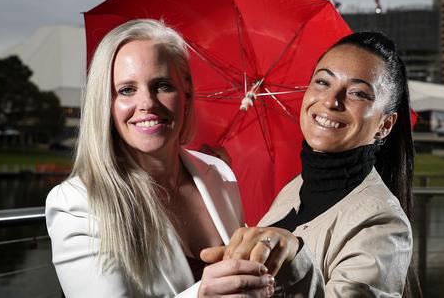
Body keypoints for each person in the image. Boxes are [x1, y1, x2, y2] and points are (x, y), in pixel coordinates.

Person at [45, 19, 274, 297]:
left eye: (163, 85)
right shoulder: (76, 203)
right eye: (127, 90)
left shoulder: (220, 174)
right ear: (106, 102)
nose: (148, 104)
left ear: (186, 92)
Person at [202, 32, 420, 297]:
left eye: (358, 93)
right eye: (323, 81)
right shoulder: (294, 189)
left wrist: (295, 262)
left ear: (385, 125)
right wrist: (211, 188)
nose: (331, 100)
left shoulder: (383, 225)